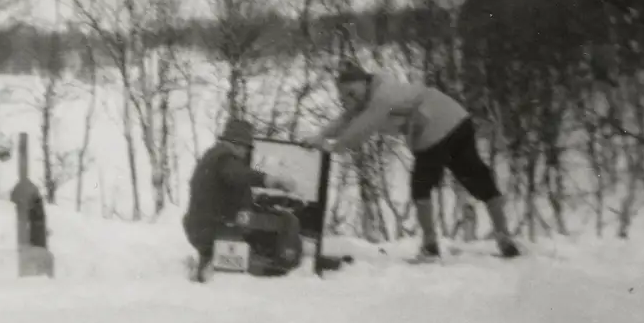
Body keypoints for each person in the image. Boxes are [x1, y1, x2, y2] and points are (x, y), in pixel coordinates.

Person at [311, 61, 520, 260]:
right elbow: (348, 118)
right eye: (346, 96)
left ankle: (430, 245)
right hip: (457, 119)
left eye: (352, 93)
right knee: (475, 176)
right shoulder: (374, 93)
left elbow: (361, 128)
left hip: (434, 126)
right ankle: (504, 236)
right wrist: (321, 135)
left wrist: (333, 147)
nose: (350, 99)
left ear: (364, 84)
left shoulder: (382, 97)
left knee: (421, 186)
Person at [183, 118, 299, 282]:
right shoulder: (225, 158)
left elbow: (228, 190)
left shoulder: (211, 157)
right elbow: (238, 175)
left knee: (254, 218)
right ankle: (285, 269)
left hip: (200, 227)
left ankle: (210, 260)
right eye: (246, 147)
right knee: (287, 220)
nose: (246, 152)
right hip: (217, 228)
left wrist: (259, 199)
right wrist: (271, 180)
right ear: (237, 144)